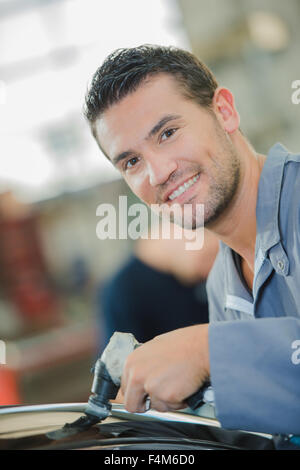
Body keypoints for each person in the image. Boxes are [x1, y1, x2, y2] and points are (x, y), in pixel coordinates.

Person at [83, 45, 300, 447]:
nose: (159, 172)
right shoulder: (223, 286)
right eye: (131, 161)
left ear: (224, 112)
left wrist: (207, 352)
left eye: (168, 133)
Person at [98, 228, 218, 345]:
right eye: (209, 256)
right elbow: (119, 360)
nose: (211, 268)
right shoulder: (122, 291)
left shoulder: (199, 277)